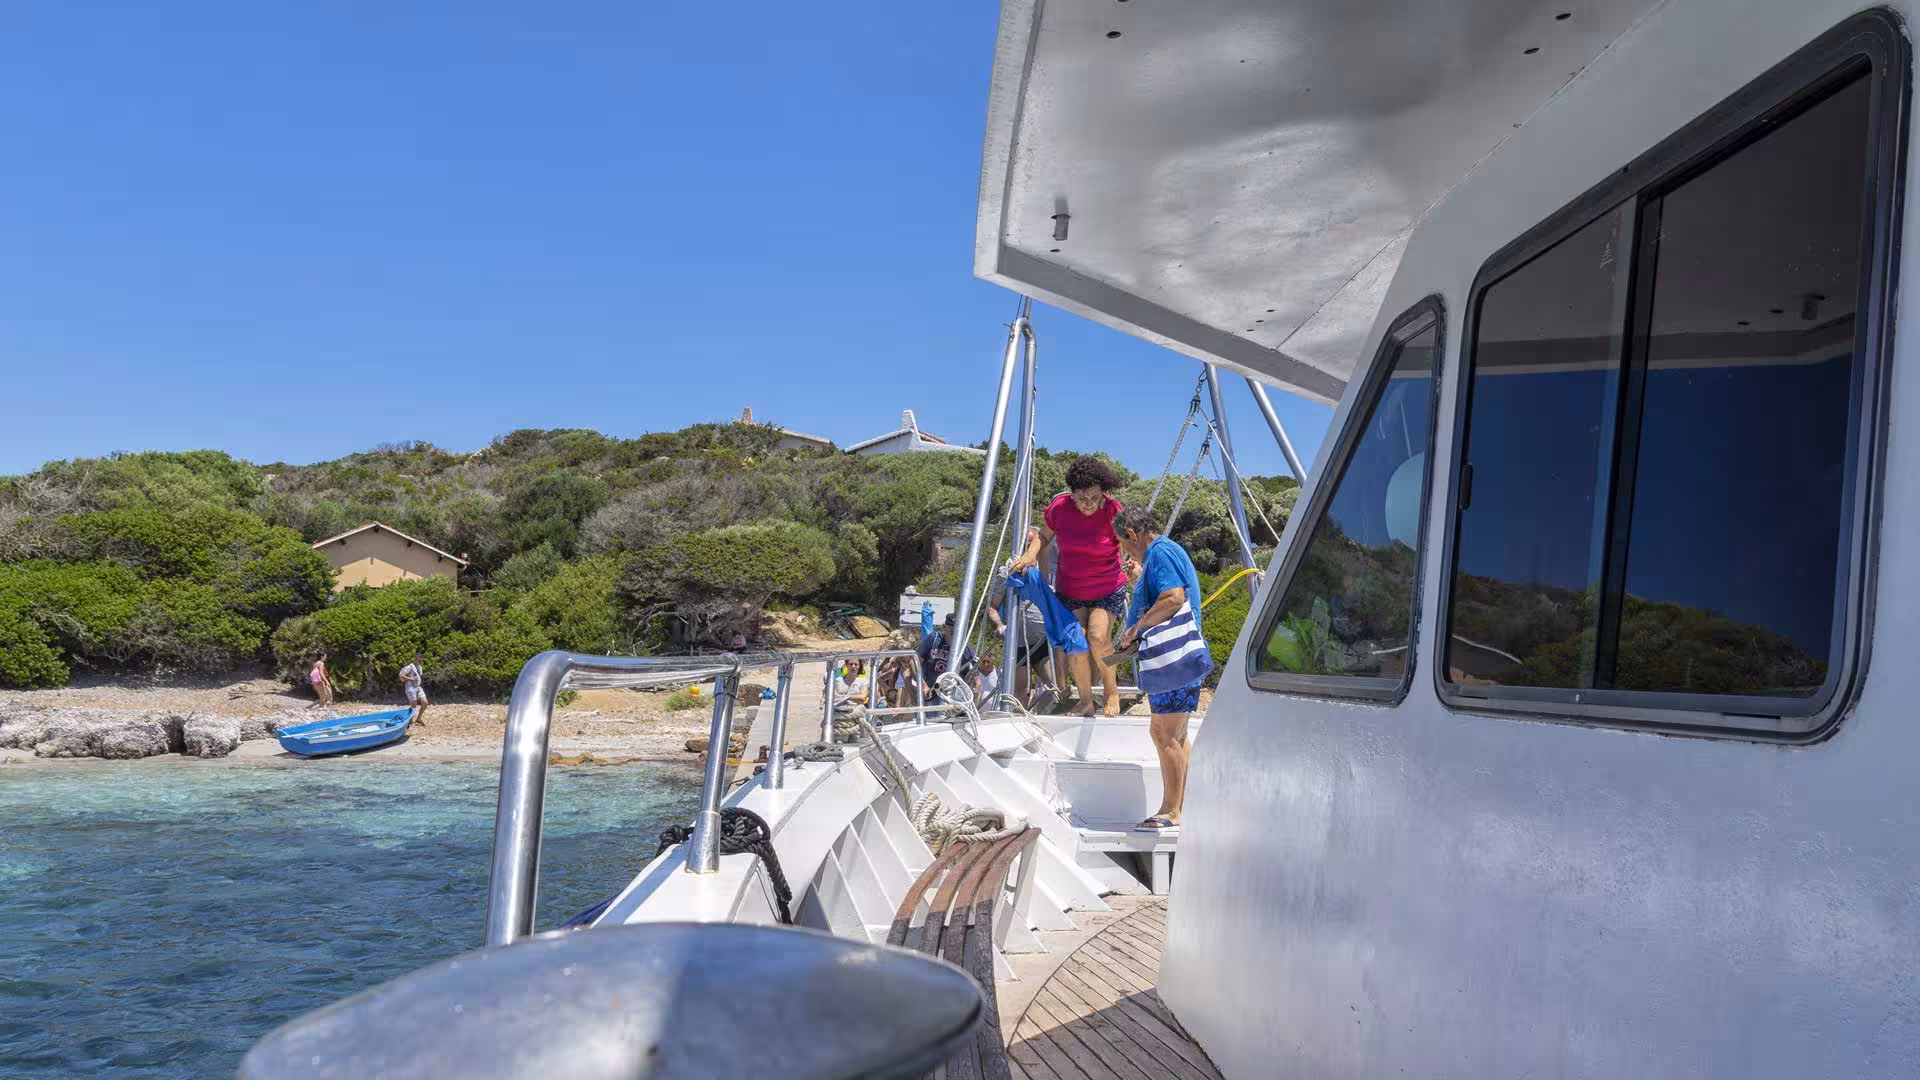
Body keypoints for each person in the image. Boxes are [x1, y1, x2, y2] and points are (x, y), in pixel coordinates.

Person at [1112, 505, 1211, 831]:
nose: (1125, 550)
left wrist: (1136, 628)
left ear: (1132, 533)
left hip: (1175, 661)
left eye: (1123, 543)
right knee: (1177, 736)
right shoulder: (1162, 554)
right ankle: (1186, 807)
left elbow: (1172, 597)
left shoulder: (1161, 552)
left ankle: (1171, 811)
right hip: (1179, 661)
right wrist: (1141, 579)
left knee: (1163, 732)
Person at [1009, 456, 1127, 716]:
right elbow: (1043, 536)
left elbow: (1130, 541)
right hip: (1071, 589)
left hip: (1107, 586)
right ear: (1072, 494)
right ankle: (1085, 701)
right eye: (1082, 498)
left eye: (1095, 498)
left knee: (1097, 636)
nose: (1088, 504)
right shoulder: (1060, 508)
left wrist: (1136, 564)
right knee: (1077, 642)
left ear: (1103, 493)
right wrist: (1030, 555)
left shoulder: (1113, 510)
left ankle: (1111, 691)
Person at [985, 531, 1054, 705]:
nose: (1030, 549)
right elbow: (992, 608)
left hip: (1042, 640)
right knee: (1019, 692)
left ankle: (1046, 716)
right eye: (1027, 544)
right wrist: (1000, 625)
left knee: (1054, 686)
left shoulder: (1045, 571)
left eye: (1034, 544)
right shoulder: (1006, 571)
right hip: (1018, 642)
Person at [399, 651, 429, 727]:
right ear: (415, 659)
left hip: (418, 687)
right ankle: (409, 720)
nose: (421, 661)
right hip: (410, 687)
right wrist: (411, 678)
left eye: (421, 660)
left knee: (425, 703)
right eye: (419, 660)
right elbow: (402, 676)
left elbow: (419, 677)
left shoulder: (420, 667)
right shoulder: (410, 667)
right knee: (413, 705)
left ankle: (418, 718)